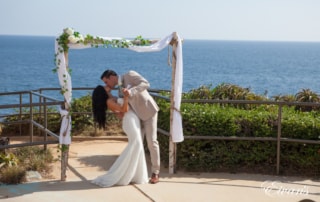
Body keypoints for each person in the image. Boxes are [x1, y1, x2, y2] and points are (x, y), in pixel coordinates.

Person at [101, 69, 160, 184]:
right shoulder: (118, 91)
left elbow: (146, 83)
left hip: (148, 112)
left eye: (106, 81)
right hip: (136, 117)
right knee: (137, 144)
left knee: (152, 142)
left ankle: (155, 172)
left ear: (112, 76)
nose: (106, 84)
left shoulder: (129, 74)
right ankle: (137, 174)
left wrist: (131, 91)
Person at [91, 85, 148, 187]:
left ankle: (135, 175)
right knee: (137, 144)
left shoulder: (112, 98)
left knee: (137, 146)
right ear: (102, 92)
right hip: (129, 122)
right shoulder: (109, 101)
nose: (107, 86)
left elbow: (120, 113)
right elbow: (125, 109)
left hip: (133, 119)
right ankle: (120, 174)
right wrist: (125, 98)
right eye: (104, 87)